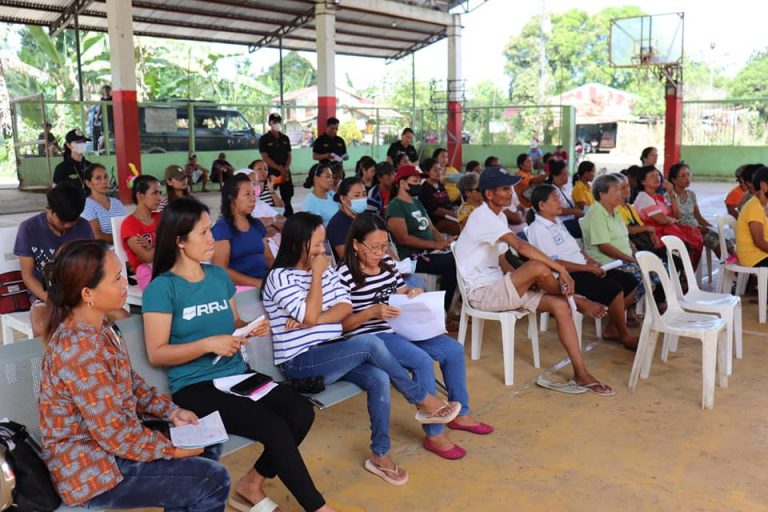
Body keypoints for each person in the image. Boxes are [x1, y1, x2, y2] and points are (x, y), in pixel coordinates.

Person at [143, 198, 336, 512]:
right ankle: (318, 508)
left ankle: (252, 483)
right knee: (273, 426)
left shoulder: (218, 278)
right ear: (180, 241)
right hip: (196, 386)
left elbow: (232, 322)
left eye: (210, 231)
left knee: (301, 411)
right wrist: (208, 345)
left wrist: (249, 328)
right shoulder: (162, 289)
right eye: (203, 233)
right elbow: (157, 353)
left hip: (237, 375)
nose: (212, 240)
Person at [261, 212, 461, 486]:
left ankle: (380, 454)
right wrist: (317, 277)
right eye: (317, 245)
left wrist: (314, 319)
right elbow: (321, 312)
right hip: (301, 362)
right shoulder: (280, 278)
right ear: (297, 243)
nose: (323, 251)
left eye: (324, 244)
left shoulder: (329, 271)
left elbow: (343, 308)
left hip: (335, 351)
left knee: (378, 378)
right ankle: (420, 398)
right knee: (369, 342)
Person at [38, 239, 230, 511]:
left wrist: (172, 413)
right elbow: (114, 433)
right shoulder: (78, 350)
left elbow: (132, 384)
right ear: (87, 294)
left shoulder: (100, 326)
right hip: (92, 470)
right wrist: (171, 451)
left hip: (112, 447)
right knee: (214, 479)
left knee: (206, 447)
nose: (124, 283)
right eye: (116, 278)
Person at [338, 213, 493, 460]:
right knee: (420, 360)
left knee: (452, 350)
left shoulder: (386, 267)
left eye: (384, 246)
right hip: (373, 336)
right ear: (356, 244)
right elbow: (342, 326)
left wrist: (412, 292)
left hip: (400, 327)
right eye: (373, 247)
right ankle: (435, 433)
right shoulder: (344, 275)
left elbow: (399, 290)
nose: (380, 252)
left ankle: (461, 413)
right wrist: (371, 312)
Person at [454, 167, 614, 396]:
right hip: (481, 293)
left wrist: (523, 279)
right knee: (538, 267)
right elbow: (520, 247)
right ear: (489, 194)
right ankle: (575, 298)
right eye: (503, 189)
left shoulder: (497, 216)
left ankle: (581, 373)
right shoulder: (482, 217)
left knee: (558, 305)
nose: (510, 193)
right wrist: (557, 269)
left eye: (510, 188)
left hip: (500, 285)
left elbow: (501, 258)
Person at [527, 184, 638, 349]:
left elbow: (575, 249)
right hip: (567, 275)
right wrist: (587, 268)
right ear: (542, 205)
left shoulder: (556, 222)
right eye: (555, 199)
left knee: (630, 281)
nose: (560, 202)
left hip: (582, 268)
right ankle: (624, 335)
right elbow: (554, 263)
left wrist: (590, 261)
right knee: (614, 289)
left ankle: (612, 327)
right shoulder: (538, 229)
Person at [14, 184, 94, 336]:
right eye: (63, 221)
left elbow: (90, 267)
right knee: (42, 328)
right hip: (45, 296)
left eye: (73, 221)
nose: (68, 225)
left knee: (120, 317)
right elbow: (28, 277)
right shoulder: (28, 229)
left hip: (80, 292)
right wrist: (55, 301)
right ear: (48, 209)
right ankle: (52, 360)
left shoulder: (84, 226)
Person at [386, 165, 457, 317]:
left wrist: (445, 243)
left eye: (419, 181)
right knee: (452, 263)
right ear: (402, 183)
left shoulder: (417, 202)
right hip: (411, 258)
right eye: (414, 181)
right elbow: (403, 239)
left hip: (430, 252)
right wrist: (436, 245)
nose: (418, 184)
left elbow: (432, 228)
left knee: (458, 257)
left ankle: (447, 308)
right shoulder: (395, 206)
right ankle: (441, 311)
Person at [633, 165, 703, 265]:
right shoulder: (643, 197)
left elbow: (676, 215)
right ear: (643, 182)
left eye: (657, 175)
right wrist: (671, 219)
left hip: (668, 233)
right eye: (652, 176)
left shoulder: (658, 197)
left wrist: (671, 193)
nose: (657, 178)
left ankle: (685, 278)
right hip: (656, 238)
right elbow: (662, 220)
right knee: (685, 251)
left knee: (694, 237)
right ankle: (683, 278)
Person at [212, 174, 273, 289]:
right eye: (247, 194)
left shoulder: (257, 225)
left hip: (265, 284)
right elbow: (220, 269)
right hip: (240, 290)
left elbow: (269, 258)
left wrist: (277, 278)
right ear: (232, 197)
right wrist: (258, 283)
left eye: (253, 194)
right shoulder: (222, 229)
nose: (253, 198)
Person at [669, 162, 731, 258]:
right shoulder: (669, 197)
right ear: (674, 180)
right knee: (718, 245)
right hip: (685, 232)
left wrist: (712, 228)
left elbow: (698, 217)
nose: (687, 178)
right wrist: (697, 228)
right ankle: (728, 267)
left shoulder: (691, 194)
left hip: (697, 229)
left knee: (726, 241)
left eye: (688, 174)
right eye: (683, 176)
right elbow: (674, 220)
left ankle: (733, 268)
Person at [121, 174, 162, 290]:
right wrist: (166, 241)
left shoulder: (161, 217)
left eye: (160, 192)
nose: (159, 198)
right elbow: (147, 257)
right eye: (154, 193)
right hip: (146, 274)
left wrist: (152, 248)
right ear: (140, 195)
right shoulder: (129, 224)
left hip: (164, 268)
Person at [81, 163, 128, 245]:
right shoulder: (86, 205)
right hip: (101, 254)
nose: (104, 181)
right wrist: (124, 238)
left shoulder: (117, 203)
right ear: (88, 183)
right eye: (98, 178)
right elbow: (96, 236)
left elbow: (126, 227)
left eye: (106, 177)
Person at [259, 113, 294, 215]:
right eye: (274, 122)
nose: (277, 124)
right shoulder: (264, 139)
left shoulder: (285, 138)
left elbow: (289, 155)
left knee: (287, 196)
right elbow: (265, 157)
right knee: (270, 194)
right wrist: (279, 168)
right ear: (270, 123)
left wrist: (285, 169)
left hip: (285, 171)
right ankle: (272, 215)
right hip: (271, 171)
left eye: (278, 122)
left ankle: (288, 217)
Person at [327, 177, 367, 259]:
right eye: (357, 195)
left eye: (364, 194)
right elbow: (347, 258)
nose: (362, 199)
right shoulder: (337, 224)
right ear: (343, 199)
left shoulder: (364, 217)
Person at [418, 157, 460, 236]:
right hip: (436, 221)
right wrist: (454, 214)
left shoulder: (440, 185)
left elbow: (448, 203)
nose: (439, 172)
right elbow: (435, 211)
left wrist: (457, 211)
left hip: (449, 216)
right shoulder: (425, 189)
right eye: (435, 170)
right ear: (427, 172)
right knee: (462, 228)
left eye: (440, 169)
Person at [736, 166, 768, 267]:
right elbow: (759, 242)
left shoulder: (761, 205)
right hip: (755, 258)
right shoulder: (754, 206)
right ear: (763, 185)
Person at [547, 159, 584, 238]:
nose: (566, 178)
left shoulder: (565, 188)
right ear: (554, 176)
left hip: (570, 220)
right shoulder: (551, 191)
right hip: (562, 224)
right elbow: (556, 210)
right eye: (563, 175)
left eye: (567, 175)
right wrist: (574, 211)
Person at [88, 84, 112, 150]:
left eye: (107, 90)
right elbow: (100, 109)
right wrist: (96, 118)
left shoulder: (112, 98)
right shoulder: (102, 99)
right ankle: (101, 148)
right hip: (104, 118)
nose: (106, 92)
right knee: (103, 134)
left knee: (108, 134)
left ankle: (102, 147)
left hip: (110, 118)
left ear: (109, 91)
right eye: (104, 90)